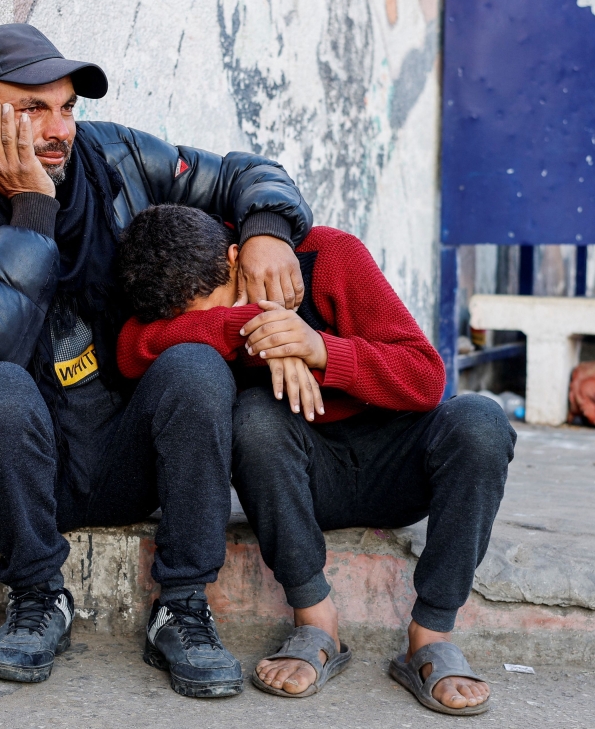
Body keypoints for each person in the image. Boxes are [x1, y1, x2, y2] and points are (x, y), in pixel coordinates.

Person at [0, 24, 312, 696]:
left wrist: (266, 229)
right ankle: (36, 596)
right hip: (17, 462)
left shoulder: (116, 159)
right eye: (32, 109)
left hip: (122, 442)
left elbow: (240, 173)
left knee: (196, 366)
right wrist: (30, 212)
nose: (60, 130)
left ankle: (184, 606)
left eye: (67, 107)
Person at [115, 205, 517, 716]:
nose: (225, 332)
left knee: (481, 421)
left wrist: (319, 348)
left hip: (395, 465)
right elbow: (131, 349)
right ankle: (316, 623)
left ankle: (430, 635)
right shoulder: (203, 306)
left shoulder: (329, 256)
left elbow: (425, 378)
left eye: (226, 304)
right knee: (256, 416)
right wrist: (251, 320)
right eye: (208, 325)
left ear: (238, 257)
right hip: (303, 481)